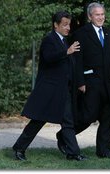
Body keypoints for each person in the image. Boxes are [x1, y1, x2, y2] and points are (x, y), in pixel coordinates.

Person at [12, 11, 86, 161]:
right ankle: (19, 149)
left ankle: (73, 153)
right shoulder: (49, 40)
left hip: (62, 90)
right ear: (55, 25)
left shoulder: (65, 41)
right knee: (38, 121)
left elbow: (69, 66)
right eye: (64, 25)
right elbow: (49, 57)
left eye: (69, 24)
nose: (68, 28)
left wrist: (78, 82)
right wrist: (67, 51)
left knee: (68, 121)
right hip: (48, 90)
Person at [57, 2, 110, 159]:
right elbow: (76, 60)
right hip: (90, 82)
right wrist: (80, 82)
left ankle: (104, 151)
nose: (100, 17)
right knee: (87, 116)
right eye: (97, 15)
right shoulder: (81, 34)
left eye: (102, 14)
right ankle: (64, 136)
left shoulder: (107, 33)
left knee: (109, 116)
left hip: (107, 83)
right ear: (90, 16)